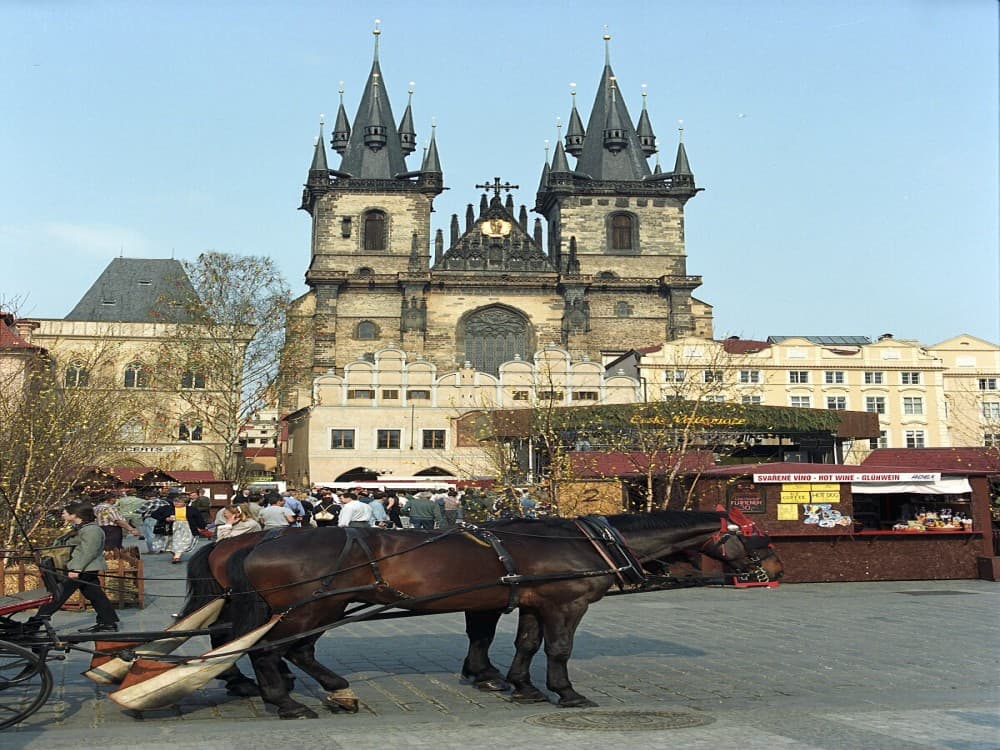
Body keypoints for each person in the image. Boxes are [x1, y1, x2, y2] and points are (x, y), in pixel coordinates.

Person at [34, 501, 120, 633]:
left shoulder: (92, 530)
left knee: (59, 594)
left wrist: (77, 569)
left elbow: (88, 551)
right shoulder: (80, 528)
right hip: (82, 568)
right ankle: (108, 622)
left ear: (75, 514)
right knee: (95, 595)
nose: (62, 514)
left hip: (83, 568)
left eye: (65, 512)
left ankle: (33, 624)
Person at [151, 493, 207, 564]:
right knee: (170, 543)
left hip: (186, 528)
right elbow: (154, 514)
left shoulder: (192, 510)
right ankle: (176, 554)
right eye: (175, 501)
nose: (176, 503)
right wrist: (165, 518)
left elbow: (199, 519)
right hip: (171, 528)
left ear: (185, 503)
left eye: (179, 502)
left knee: (182, 542)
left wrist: (202, 527)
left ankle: (176, 557)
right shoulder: (167, 508)